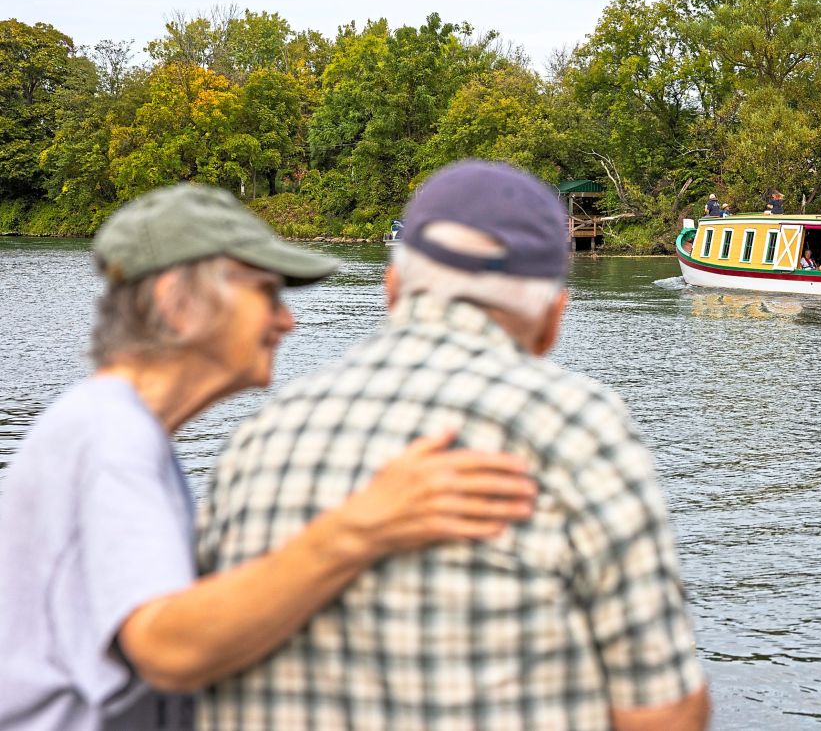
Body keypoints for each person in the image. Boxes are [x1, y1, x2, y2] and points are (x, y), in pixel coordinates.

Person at [0, 185, 538, 731]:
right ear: (178, 303)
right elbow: (169, 648)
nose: (288, 322)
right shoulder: (111, 438)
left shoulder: (110, 425)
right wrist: (364, 525)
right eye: (267, 294)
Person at [198, 161, 710, 731]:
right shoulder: (580, 426)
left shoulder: (258, 434)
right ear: (551, 321)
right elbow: (662, 712)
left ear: (392, 288)